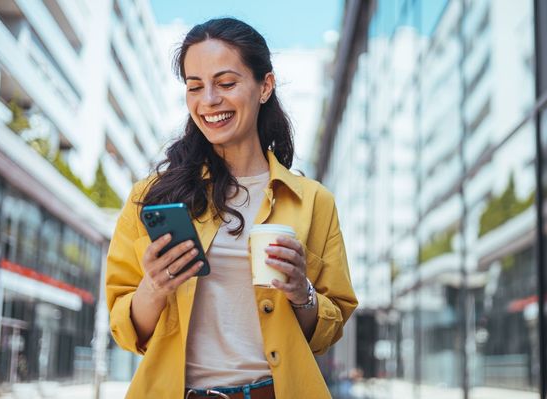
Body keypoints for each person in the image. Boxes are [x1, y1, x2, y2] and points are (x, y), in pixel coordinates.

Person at [105, 17, 358, 399]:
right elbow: (126, 330)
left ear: (264, 87)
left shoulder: (313, 201)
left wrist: (300, 290)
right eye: (195, 87)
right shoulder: (152, 197)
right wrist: (153, 287)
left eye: (225, 84)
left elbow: (328, 330)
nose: (208, 100)